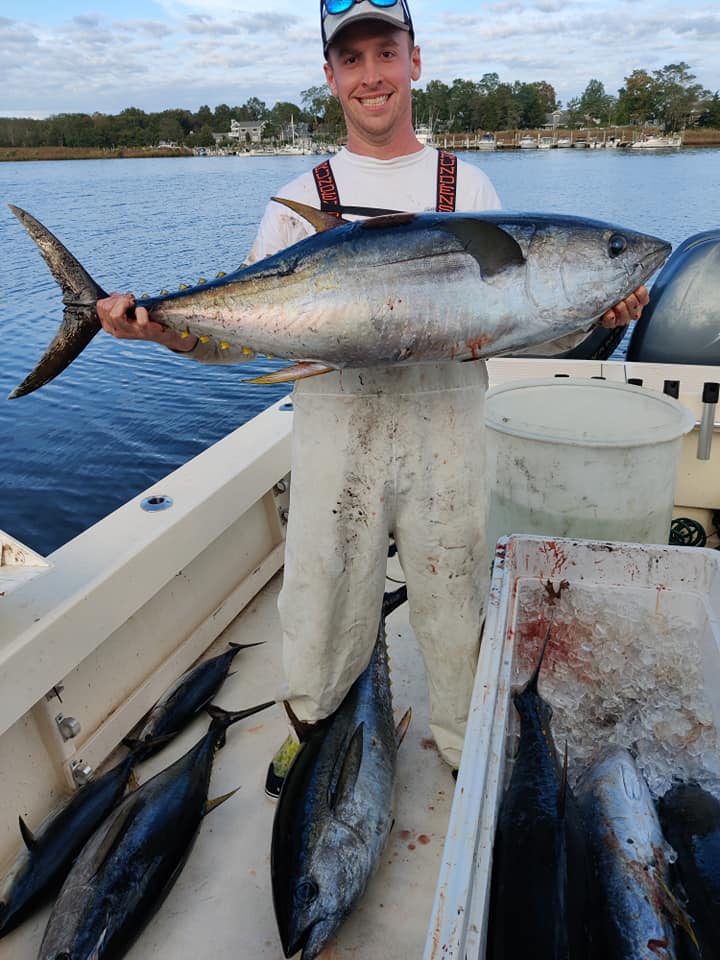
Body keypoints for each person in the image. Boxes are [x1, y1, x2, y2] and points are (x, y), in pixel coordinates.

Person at [97, 0, 649, 793]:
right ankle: (314, 736)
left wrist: (597, 308)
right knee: (319, 605)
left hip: (448, 437)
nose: (371, 76)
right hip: (335, 437)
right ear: (330, 78)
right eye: (350, 60)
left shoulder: (471, 184)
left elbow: (525, 328)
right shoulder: (300, 193)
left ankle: (466, 749)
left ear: (414, 61)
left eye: (383, 53)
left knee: (458, 603)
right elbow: (238, 335)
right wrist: (160, 330)